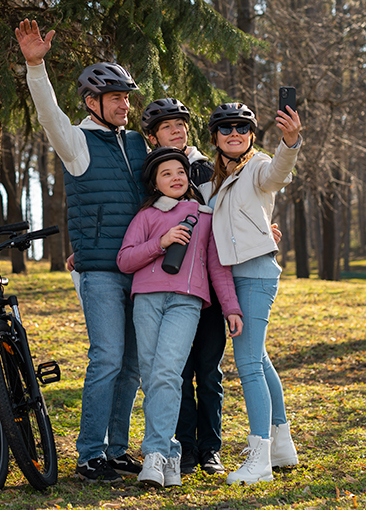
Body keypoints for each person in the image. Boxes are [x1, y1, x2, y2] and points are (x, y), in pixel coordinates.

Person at [16, 19, 145, 483]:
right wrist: (36, 67)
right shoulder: (77, 142)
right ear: (93, 103)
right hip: (101, 272)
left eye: (128, 98)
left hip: (142, 269)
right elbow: (49, 113)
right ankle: (90, 454)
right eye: (117, 99)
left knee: (131, 365)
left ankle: (115, 449)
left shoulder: (138, 142)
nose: (126, 106)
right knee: (108, 357)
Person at [117, 147, 242, 487]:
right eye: (166, 173)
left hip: (186, 303)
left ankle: (154, 455)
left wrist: (230, 307)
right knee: (152, 376)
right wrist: (161, 242)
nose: (176, 178)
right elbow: (125, 260)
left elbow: (218, 266)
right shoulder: (145, 217)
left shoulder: (204, 217)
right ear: (155, 183)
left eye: (180, 172)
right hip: (146, 300)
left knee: (168, 374)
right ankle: (171, 453)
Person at [200, 102, 301, 485]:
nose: (234, 133)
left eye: (242, 127)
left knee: (247, 365)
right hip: (232, 276)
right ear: (215, 138)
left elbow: (278, 173)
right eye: (226, 129)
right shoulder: (214, 181)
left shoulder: (257, 166)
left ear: (252, 135)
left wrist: (289, 142)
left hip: (256, 275)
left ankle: (259, 458)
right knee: (259, 358)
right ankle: (281, 443)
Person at [140, 98, 227, 476]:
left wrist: (263, 229)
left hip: (207, 283)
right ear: (152, 136)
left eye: (181, 124)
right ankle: (183, 448)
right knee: (176, 370)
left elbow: (227, 212)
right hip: (163, 288)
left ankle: (210, 448)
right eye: (167, 126)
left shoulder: (206, 168)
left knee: (208, 370)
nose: (177, 130)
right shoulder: (150, 174)